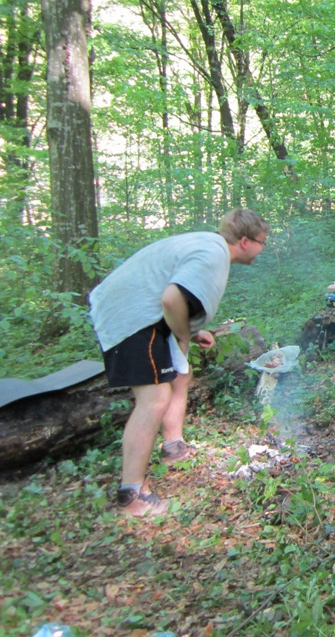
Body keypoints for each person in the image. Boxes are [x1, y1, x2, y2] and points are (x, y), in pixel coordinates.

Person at [89, 209, 269, 518]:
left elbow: (179, 298)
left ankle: (173, 447)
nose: (263, 249)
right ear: (244, 241)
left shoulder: (209, 246)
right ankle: (131, 495)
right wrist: (184, 332)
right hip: (133, 317)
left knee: (181, 376)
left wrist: (193, 332)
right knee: (153, 399)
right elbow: (171, 299)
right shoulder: (213, 253)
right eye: (262, 242)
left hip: (144, 316)